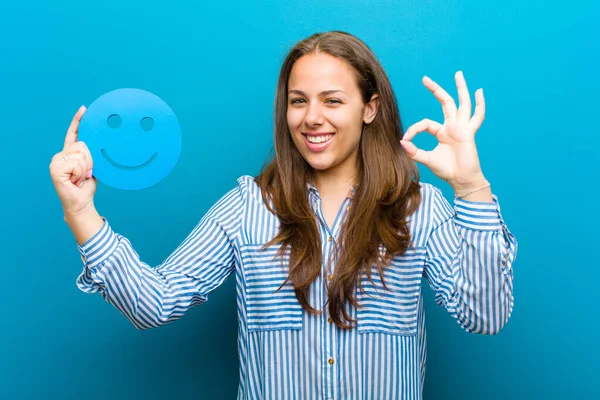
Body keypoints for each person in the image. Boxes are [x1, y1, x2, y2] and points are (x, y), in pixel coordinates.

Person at [49, 31, 518, 399]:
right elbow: (154, 303)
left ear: (370, 108)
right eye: (299, 101)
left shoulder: (420, 209)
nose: (311, 117)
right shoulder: (247, 206)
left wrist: (470, 187)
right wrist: (81, 210)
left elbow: (487, 315)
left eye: (332, 100)